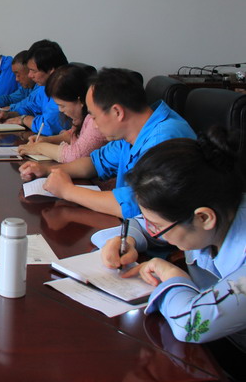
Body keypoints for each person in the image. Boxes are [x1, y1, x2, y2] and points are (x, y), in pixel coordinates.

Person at [93, 131, 245, 372]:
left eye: (158, 226)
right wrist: (127, 240)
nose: (153, 231)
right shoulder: (213, 206)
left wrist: (171, 275)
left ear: (204, 218)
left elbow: (191, 324)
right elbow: (146, 225)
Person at [19, 68, 196, 218]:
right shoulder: (133, 130)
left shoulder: (163, 139)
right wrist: (46, 170)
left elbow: (138, 205)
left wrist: (67, 191)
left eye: (94, 117)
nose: (94, 125)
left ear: (117, 112)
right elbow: (95, 163)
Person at [17, 64, 107, 162]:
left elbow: (75, 155)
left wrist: (39, 147)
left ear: (80, 100)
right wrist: (47, 140)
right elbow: (73, 134)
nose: (60, 110)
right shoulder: (79, 117)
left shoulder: (94, 120)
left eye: (62, 106)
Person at [0, 40, 69, 135]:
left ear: (51, 70)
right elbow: (32, 107)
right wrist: (10, 114)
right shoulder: (45, 86)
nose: (29, 75)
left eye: (33, 71)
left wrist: (24, 119)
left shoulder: (65, 88)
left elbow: (47, 126)